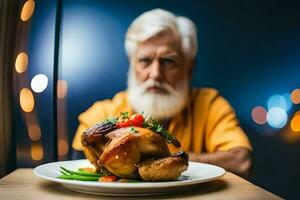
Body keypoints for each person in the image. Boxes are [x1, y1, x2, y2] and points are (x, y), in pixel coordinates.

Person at [72, 9, 252, 178]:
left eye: (168, 61)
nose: (155, 73)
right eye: (145, 61)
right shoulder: (102, 113)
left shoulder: (209, 105)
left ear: (189, 69)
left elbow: (241, 161)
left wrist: (161, 163)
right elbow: (78, 167)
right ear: (131, 66)